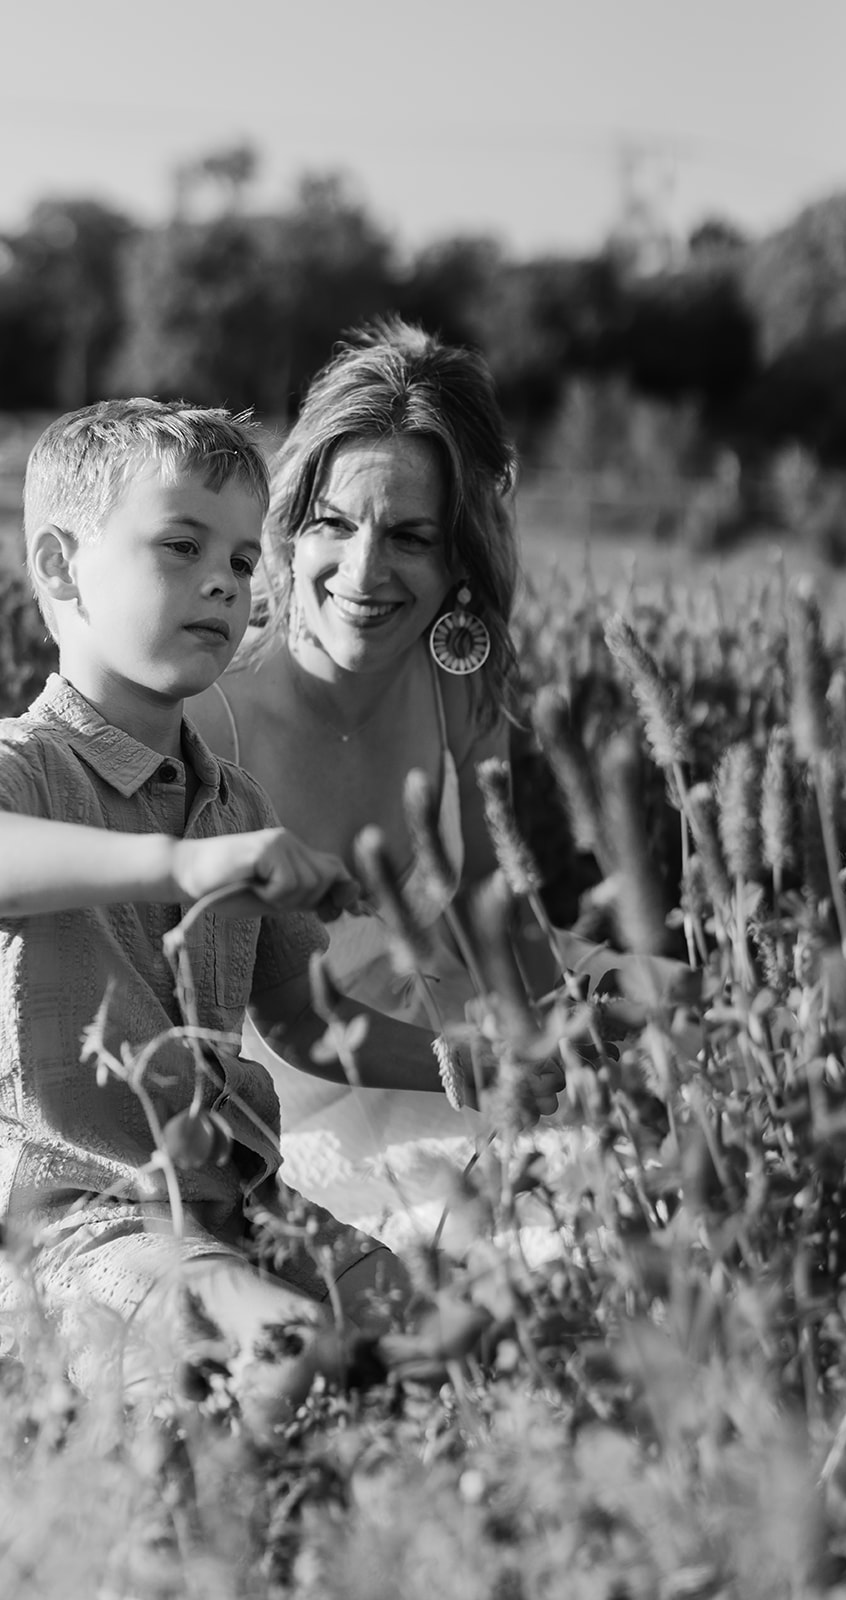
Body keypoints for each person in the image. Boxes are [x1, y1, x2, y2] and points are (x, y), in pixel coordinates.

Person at [0, 398, 489, 1435]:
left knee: (441, 1331)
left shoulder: (232, 802)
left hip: (230, 1211)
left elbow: (306, 1023)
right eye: (179, 545)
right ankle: (0, 1405)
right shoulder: (21, 763)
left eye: (244, 561)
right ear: (63, 568)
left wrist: (466, 1062)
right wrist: (178, 863)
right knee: (279, 1352)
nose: (225, 581)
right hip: (67, 1220)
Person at [185, 321, 568, 1241]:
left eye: (409, 536)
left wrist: (557, 1039)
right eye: (333, 524)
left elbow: (494, 900)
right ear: (286, 526)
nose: (362, 572)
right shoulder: (209, 717)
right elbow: (277, 1018)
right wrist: (474, 1063)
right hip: (305, 1095)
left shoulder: (458, 680)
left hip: (462, 1032)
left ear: (459, 559)